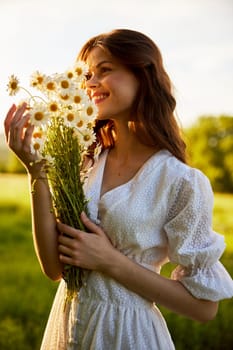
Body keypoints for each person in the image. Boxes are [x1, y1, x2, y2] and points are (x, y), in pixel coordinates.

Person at [4, 29, 233, 350]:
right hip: (65, 328)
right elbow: (54, 269)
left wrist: (111, 261)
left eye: (105, 70)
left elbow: (204, 308)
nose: (89, 82)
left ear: (143, 74)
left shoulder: (180, 181)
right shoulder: (85, 162)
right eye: (86, 75)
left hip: (128, 335)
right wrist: (36, 173)